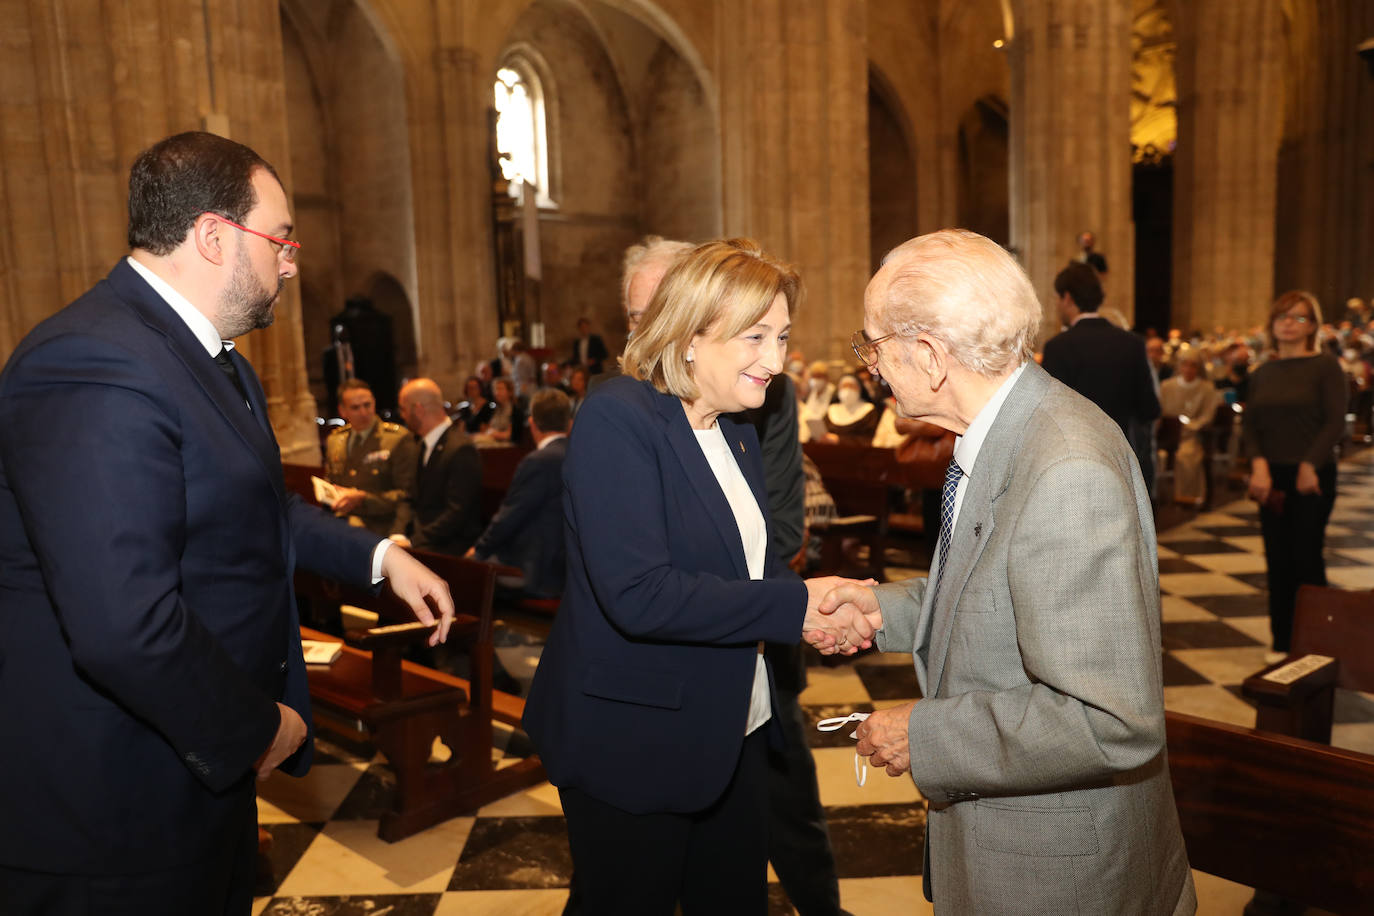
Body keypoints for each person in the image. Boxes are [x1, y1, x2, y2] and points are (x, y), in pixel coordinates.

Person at [0, 130, 454, 913]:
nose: (290, 261)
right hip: (114, 810)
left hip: (190, 771)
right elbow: (122, 626)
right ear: (212, 236)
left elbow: (258, 507)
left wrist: (381, 556)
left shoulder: (215, 359)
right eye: (280, 238)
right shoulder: (93, 362)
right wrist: (258, 730)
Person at [822, 229, 1195, 914]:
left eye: (873, 342)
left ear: (929, 354)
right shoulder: (1005, 432)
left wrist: (923, 734)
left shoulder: (1064, 465)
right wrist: (883, 610)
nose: (870, 363)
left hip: (1060, 878)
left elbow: (1109, 718)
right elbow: (1003, 588)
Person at [522, 238, 877, 915]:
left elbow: (748, 561)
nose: (775, 360)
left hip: (732, 726)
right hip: (635, 737)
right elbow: (638, 594)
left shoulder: (734, 426)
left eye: (781, 337)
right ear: (689, 337)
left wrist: (821, 600)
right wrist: (792, 608)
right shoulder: (617, 415)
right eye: (756, 337)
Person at [1243, 291, 1347, 661]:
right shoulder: (1263, 372)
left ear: (1313, 326)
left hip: (1312, 475)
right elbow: (1250, 423)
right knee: (1277, 560)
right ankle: (1282, 643)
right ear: (1272, 325)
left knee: (1306, 558)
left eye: (1299, 318)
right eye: (1282, 317)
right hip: (1270, 476)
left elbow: (1335, 421)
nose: (1289, 323)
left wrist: (1309, 464)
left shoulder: (1325, 366)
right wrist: (1258, 465)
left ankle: (1316, 646)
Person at [467, 388, 572, 599]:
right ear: (569, 423)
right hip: (570, 565)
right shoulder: (581, 453)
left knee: (465, 576)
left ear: (532, 424)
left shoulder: (538, 461)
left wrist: (477, 551)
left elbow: (509, 517)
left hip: (537, 569)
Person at [1041, 261, 1161, 439]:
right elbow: (1150, 410)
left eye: (1058, 298)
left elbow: (1047, 415)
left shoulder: (1058, 347)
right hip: (1119, 455)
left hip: (1076, 453)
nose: (1057, 305)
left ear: (1067, 298)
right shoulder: (1132, 343)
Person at [324, 378, 419, 537]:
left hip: (381, 527)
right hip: (342, 524)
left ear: (374, 403)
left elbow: (406, 495)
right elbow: (331, 482)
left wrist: (363, 498)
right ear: (342, 411)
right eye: (355, 408)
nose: (363, 412)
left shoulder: (396, 439)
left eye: (367, 405)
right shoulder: (335, 440)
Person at [399, 377, 483, 556]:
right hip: (424, 539)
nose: (402, 415)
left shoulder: (461, 448)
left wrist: (413, 542)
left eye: (404, 409)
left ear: (418, 409)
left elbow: (457, 513)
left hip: (450, 544)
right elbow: (409, 498)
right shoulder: (420, 445)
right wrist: (397, 534)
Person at [1159, 350, 1223, 506]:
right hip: (1168, 434)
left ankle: (1187, 498)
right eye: (1184, 365)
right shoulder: (1167, 386)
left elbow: (1208, 415)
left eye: (1193, 366)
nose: (1188, 369)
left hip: (1192, 435)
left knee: (1187, 456)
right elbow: (1160, 412)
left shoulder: (1206, 388)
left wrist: (1190, 426)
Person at [478, 376, 526, 445]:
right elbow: (484, 428)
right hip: (492, 440)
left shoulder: (516, 411)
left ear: (509, 392)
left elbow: (510, 435)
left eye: (500, 389)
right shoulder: (493, 408)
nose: (497, 392)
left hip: (507, 445)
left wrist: (494, 433)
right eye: (495, 389)